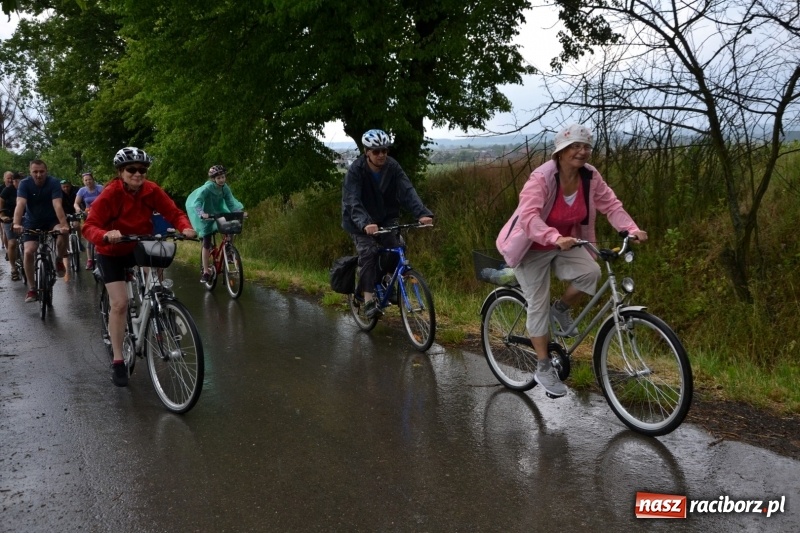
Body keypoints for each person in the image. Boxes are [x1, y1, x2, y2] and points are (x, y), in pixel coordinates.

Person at [511, 124, 648, 398]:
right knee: (537, 303)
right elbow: (528, 217)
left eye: (586, 146)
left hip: (566, 243)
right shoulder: (542, 178)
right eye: (575, 145)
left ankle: (560, 309)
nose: (582, 151)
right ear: (560, 152)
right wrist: (552, 236)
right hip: (532, 247)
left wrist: (631, 229)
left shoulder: (590, 177)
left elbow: (611, 204)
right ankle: (543, 366)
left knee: (591, 272)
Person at [82, 147, 197, 387]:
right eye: (132, 169)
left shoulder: (151, 190)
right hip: (111, 251)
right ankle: (117, 359)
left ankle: (159, 312)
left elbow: (173, 212)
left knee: (156, 283)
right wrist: (105, 234)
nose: (138, 174)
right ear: (121, 172)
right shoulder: (111, 194)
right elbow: (89, 226)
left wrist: (185, 226)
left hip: (140, 246)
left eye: (142, 170)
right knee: (120, 303)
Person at [341, 129, 434, 319]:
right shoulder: (356, 170)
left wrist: (422, 213)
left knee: (397, 246)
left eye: (384, 150)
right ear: (367, 152)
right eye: (376, 151)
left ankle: (387, 281)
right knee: (369, 252)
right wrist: (365, 222)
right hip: (359, 220)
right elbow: (352, 200)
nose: (381, 154)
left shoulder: (392, 167)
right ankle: (367, 299)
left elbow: (407, 190)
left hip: (384, 218)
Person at [12, 160, 70, 303]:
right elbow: (20, 204)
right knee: (28, 251)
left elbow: (57, 205)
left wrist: (64, 225)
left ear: (46, 171)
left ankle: (58, 260)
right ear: (30, 172)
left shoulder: (54, 183)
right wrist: (16, 223)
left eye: (41, 171)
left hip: (51, 220)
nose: (38, 175)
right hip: (32, 221)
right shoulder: (25, 184)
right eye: (35, 172)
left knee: (63, 233)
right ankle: (32, 289)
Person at [186, 164, 245, 283]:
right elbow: (197, 202)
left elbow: (230, 203)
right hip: (206, 215)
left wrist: (239, 212)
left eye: (223, 177)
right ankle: (206, 272)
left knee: (231, 226)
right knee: (206, 243)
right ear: (213, 179)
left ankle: (229, 250)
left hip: (218, 212)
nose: (222, 180)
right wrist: (201, 213)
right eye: (219, 178)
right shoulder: (206, 189)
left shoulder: (225, 188)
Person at [75, 172, 104, 269]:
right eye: (85, 180)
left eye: (89, 179)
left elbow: (107, 199)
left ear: (93, 179)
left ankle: (104, 256)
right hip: (88, 214)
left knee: (102, 234)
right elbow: (76, 203)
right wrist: (78, 209)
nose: (88, 181)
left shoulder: (100, 188)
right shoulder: (82, 191)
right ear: (83, 181)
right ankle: (90, 260)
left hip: (101, 213)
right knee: (90, 238)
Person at [0, 172, 23, 280]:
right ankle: (13, 268)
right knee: (12, 243)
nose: (17, 183)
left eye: (19, 181)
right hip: (9, 219)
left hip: (25, 219)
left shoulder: (26, 189)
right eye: (15, 181)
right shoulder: (7, 190)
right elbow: (1, 202)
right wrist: (2, 215)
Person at [0, 171, 12, 252]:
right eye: (8, 178)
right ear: (4, 179)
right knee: (4, 229)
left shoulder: (15, 187)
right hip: (2, 211)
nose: (10, 180)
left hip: (12, 211)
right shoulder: (1, 188)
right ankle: (8, 249)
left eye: (11, 178)